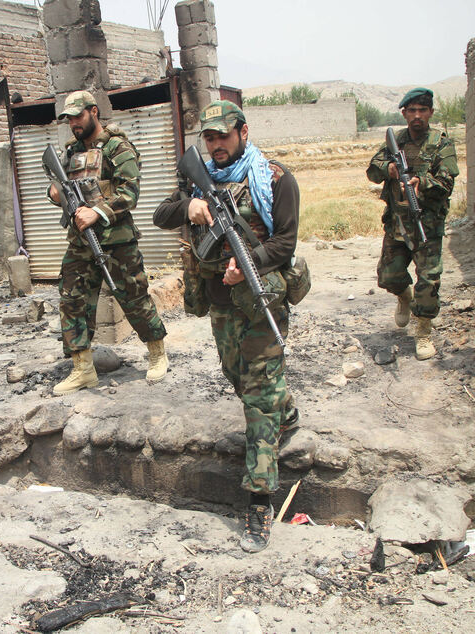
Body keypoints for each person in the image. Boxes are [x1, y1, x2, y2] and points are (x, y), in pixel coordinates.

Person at [153, 100, 299, 553]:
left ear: (243, 131)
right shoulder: (194, 181)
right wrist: (191, 207)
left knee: (256, 396)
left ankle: (258, 503)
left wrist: (246, 262)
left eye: (223, 135)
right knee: (238, 377)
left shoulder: (275, 178)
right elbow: (160, 214)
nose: (215, 144)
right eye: (208, 138)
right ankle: (287, 412)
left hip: (259, 302)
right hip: (219, 302)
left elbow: (286, 242)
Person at [46, 90, 168, 395]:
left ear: (94, 112)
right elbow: (57, 187)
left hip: (117, 241)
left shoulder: (118, 146)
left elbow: (130, 193)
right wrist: (55, 194)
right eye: (69, 118)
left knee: (134, 297)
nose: (73, 123)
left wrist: (97, 211)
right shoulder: (70, 152)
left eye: (78, 116)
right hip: (80, 242)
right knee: (71, 300)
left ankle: (157, 354)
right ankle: (83, 369)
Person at [366, 87, 459, 360]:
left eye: (423, 110)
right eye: (412, 111)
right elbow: (372, 169)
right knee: (388, 276)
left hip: (427, 224)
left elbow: (447, 183)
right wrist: (390, 170)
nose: (417, 116)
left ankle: (424, 330)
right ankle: (405, 297)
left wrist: (422, 184)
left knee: (429, 281)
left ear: (430, 112)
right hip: (397, 224)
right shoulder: (397, 141)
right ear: (404, 113)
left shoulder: (441, 143)